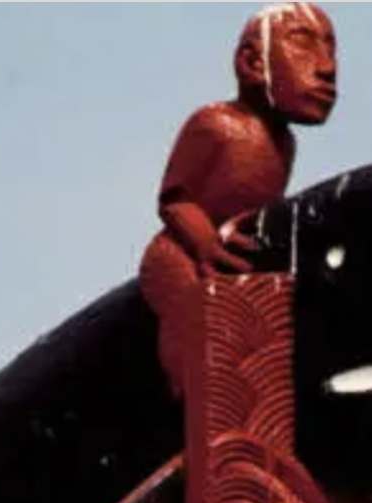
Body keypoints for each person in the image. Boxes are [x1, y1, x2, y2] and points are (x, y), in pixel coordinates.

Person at [139, 2, 338, 398]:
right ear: (252, 62)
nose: (327, 67)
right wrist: (204, 243)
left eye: (331, 50)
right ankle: (194, 407)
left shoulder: (284, 144)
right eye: (303, 45)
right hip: (183, 254)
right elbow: (174, 199)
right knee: (198, 325)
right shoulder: (215, 124)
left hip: (234, 259)